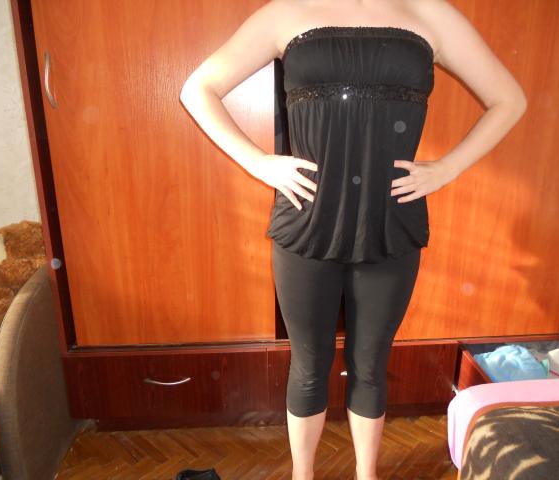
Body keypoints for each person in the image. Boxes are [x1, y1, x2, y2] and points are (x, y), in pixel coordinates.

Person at [179, 0, 527, 478]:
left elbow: (509, 99)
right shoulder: (286, 12)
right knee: (309, 364)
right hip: (307, 220)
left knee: (370, 364)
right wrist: (257, 162)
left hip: (389, 222)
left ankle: (367, 474)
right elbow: (198, 88)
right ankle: (303, 475)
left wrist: (446, 168)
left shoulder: (431, 14)